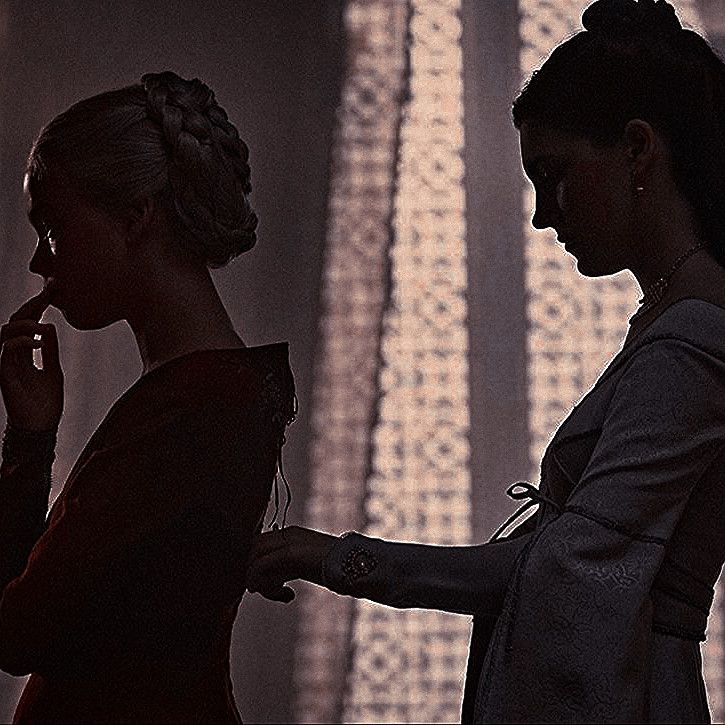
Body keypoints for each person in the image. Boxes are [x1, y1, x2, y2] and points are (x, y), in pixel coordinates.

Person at [246, 0, 725, 721]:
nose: (541, 214)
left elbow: (562, 571)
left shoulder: (691, 342)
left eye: (553, 172)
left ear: (636, 148)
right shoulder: (675, 318)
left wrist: (331, 557)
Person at [0, 71, 296, 723]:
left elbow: (17, 630)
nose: (39, 265)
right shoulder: (208, 395)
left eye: (51, 229)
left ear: (136, 218)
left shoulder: (190, 410)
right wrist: (31, 430)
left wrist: (26, 450)